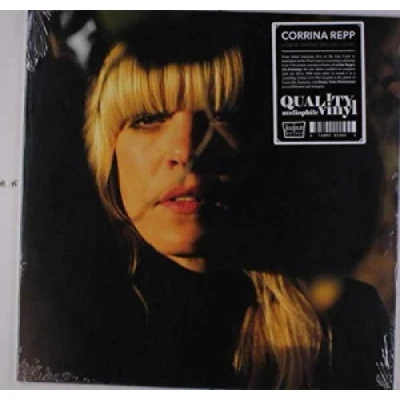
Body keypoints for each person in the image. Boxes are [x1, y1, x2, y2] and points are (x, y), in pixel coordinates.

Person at [19, 12, 390, 389]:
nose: (186, 150)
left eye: (224, 115)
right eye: (149, 118)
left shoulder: (348, 332)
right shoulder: (53, 327)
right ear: (108, 153)